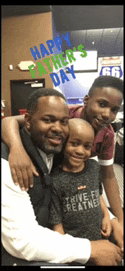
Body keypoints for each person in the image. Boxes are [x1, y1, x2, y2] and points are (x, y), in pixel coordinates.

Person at [1, 88, 123, 266]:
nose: (57, 128)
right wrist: (90, 249)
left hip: (53, 234)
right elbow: (21, 241)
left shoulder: (58, 149)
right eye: (48, 120)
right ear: (28, 121)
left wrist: (113, 219)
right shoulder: (10, 164)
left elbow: (96, 185)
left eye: (64, 121)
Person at [49, 118, 123, 265]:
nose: (80, 151)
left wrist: (106, 216)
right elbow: (57, 225)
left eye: (87, 146)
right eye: (74, 144)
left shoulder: (94, 168)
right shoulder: (55, 180)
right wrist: (67, 256)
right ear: (63, 143)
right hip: (78, 252)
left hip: (102, 240)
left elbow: (97, 193)